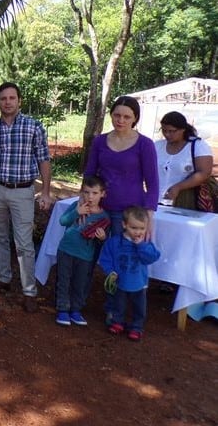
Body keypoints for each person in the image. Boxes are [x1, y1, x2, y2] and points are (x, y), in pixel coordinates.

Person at [0, 82, 53, 313]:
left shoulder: (33, 126)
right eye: (3, 98)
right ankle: (4, 278)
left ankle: (29, 291)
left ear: (19, 101)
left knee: (24, 243)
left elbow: (44, 159)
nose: (7, 102)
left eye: (12, 98)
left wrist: (45, 192)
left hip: (22, 191)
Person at [84, 95, 159, 323]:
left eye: (127, 116)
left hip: (127, 215)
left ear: (135, 118)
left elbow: (153, 183)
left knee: (120, 263)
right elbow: (89, 174)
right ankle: (79, 302)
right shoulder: (99, 141)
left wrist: (149, 216)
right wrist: (85, 201)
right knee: (90, 256)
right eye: (117, 114)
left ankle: (114, 311)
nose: (121, 120)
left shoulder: (145, 144)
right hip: (100, 210)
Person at [98, 206, 160, 341]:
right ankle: (117, 322)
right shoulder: (115, 242)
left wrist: (141, 246)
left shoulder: (145, 243)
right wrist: (110, 273)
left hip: (139, 282)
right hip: (120, 281)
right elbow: (105, 258)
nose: (138, 232)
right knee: (118, 304)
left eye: (142, 229)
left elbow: (152, 258)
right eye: (134, 228)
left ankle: (137, 328)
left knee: (139, 308)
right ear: (124, 225)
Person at [55, 176, 110, 326]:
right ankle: (62, 310)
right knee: (64, 280)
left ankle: (75, 310)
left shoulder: (104, 216)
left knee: (81, 282)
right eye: (86, 192)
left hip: (85, 256)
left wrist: (103, 237)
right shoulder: (76, 206)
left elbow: (103, 240)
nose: (90, 196)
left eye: (94, 193)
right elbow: (62, 221)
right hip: (66, 250)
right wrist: (76, 212)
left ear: (102, 194)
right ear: (81, 192)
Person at [155, 111, 214, 207]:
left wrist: (178, 187)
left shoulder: (198, 145)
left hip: (188, 202)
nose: (167, 134)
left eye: (171, 131)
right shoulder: (157, 145)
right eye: (164, 130)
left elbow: (204, 173)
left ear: (182, 129)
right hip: (158, 202)